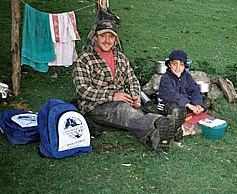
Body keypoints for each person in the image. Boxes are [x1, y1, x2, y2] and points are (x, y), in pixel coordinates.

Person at [73, 19, 180, 152]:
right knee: (125, 111)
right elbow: (82, 90)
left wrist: (135, 95)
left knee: (133, 115)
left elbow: (132, 79)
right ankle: (161, 122)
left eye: (111, 36)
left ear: (115, 39)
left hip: (120, 103)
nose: (107, 40)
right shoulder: (84, 59)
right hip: (94, 107)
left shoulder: (121, 58)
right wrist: (112, 96)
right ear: (95, 37)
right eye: (103, 36)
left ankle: (156, 136)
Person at [157, 50, 204, 143]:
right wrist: (190, 105)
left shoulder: (186, 76)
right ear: (170, 64)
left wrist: (198, 104)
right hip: (167, 105)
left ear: (184, 66)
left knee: (204, 102)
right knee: (176, 110)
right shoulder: (166, 78)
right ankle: (175, 130)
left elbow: (194, 89)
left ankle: (185, 119)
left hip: (184, 103)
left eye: (181, 64)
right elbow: (172, 95)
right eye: (175, 64)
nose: (178, 67)